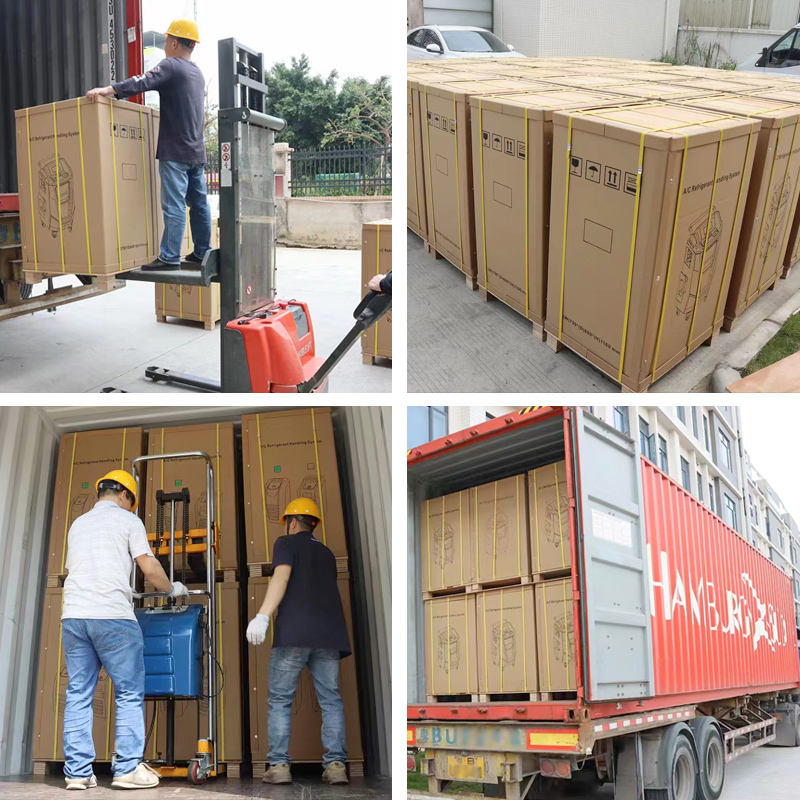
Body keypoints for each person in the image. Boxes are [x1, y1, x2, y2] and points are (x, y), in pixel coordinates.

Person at [60, 470, 189, 790]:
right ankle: (127, 769)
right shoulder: (129, 521)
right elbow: (149, 567)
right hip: (113, 617)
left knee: (79, 693)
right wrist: (172, 589)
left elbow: (75, 570)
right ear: (125, 496)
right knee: (129, 692)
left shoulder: (78, 524)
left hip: (74, 617)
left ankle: (77, 773)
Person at [86, 20, 211, 271]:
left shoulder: (171, 65)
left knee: (174, 205)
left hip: (175, 152)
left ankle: (169, 257)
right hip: (196, 152)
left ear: (173, 42)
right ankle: (202, 253)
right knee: (199, 205)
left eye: (166, 41)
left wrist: (109, 90)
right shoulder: (197, 73)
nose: (165, 46)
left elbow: (142, 81)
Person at [246, 498, 351, 786]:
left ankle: (279, 765)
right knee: (331, 700)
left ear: (292, 522)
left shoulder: (286, 543)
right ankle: (336, 766)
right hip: (329, 636)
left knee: (280, 700)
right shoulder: (327, 554)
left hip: (294, 634)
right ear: (313, 524)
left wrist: (263, 616)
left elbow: (281, 578)